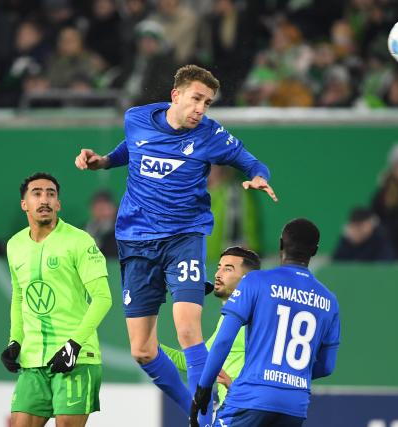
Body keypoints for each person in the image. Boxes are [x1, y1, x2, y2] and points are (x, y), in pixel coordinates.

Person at [74, 64, 277, 425]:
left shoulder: (211, 135)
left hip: (184, 236)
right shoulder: (136, 118)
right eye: (197, 99)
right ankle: (198, 416)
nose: (201, 108)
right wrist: (103, 162)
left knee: (187, 329)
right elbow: (130, 149)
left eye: (208, 102)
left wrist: (259, 177)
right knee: (142, 350)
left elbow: (250, 161)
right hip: (136, 240)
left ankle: (210, 415)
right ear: (176, 96)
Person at [190, 218, 340, 427]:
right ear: (314, 251)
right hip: (294, 406)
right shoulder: (329, 301)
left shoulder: (256, 281)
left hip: (250, 397)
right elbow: (326, 366)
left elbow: (223, 341)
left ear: (280, 245)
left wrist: (203, 388)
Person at [0, 172, 112, 427]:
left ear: (58, 204)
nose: (45, 199)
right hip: (32, 360)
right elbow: (19, 296)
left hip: (77, 359)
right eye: (37, 193)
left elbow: (103, 298)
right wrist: (15, 341)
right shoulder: (14, 245)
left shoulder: (80, 241)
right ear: (24, 204)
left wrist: (74, 345)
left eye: (51, 194)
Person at [161, 246, 261, 409]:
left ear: (247, 279)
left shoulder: (253, 317)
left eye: (228, 269)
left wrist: (234, 388)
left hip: (246, 409)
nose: (218, 274)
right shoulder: (229, 318)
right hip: (234, 409)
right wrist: (149, 345)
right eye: (218, 268)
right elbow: (193, 362)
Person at [84, 190, 118, 258]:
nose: (101, 210)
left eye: (104, 207)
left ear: (113, 208)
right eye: (97, 207)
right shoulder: (83, 229)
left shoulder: (121, 231)